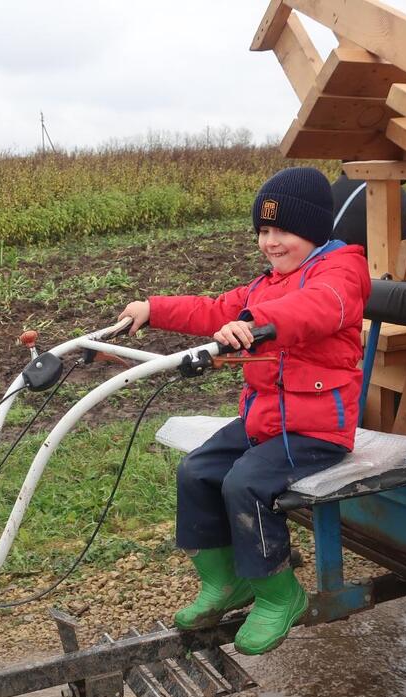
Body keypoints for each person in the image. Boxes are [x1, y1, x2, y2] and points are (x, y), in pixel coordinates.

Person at [118, 166, 371, 655]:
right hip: (266, 423)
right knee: (196, 470)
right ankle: (225, 582)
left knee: (245, 483)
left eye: (283, 231)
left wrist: (257, 323)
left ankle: (280, 594)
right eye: (263, 231)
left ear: (316, 228)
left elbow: (316, 308)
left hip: (318, 430)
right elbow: (216, 310)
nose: (271, 242)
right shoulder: (268, 283)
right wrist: (153, 308)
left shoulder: (341, 273)